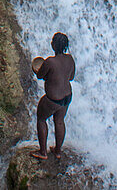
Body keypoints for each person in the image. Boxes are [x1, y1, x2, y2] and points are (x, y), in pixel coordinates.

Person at [31, 33, 75, 161]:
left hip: (53, 99)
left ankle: (43, 152)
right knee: (59, 121)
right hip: (67, 97)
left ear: (53, 45)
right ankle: (58, 151)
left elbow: (40, 75)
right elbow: (71, 77)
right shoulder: (70, 59)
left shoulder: (50, 61)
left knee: (41, 119)